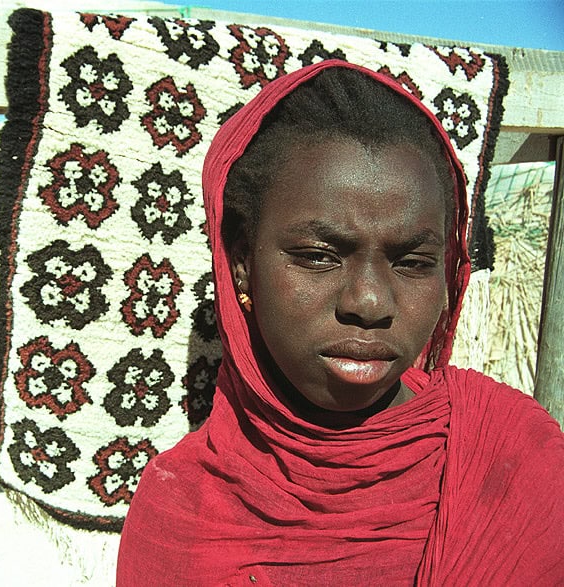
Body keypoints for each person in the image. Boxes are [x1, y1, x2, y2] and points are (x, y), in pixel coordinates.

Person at [116, 60, 564, 585]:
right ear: (241, 265)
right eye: (318, 255)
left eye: (414, 263)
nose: (371, 303)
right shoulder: (183, 512)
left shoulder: (514, 456)